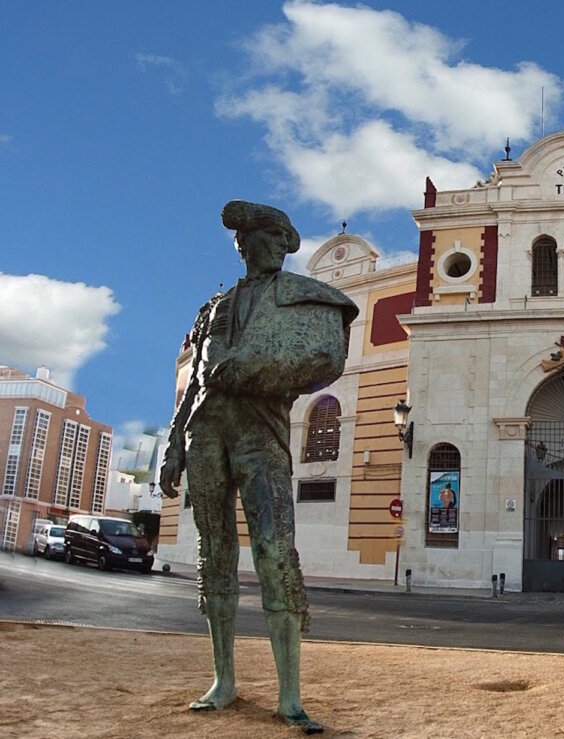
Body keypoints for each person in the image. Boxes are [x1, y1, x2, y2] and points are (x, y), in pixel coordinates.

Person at [159, 200, 358, 734]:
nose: (260, 246)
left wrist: (250, 368)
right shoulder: (213, 309)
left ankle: (290, 697)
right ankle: (223, 680)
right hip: (206, 432)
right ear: (241, 246)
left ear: (283, 244)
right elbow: (197, 383)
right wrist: (173, 443)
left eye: (270, 237)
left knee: (273, 551)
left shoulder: (302, 298)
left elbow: (323, 359)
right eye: (251, 239)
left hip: (259, 431)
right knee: (213, 552)